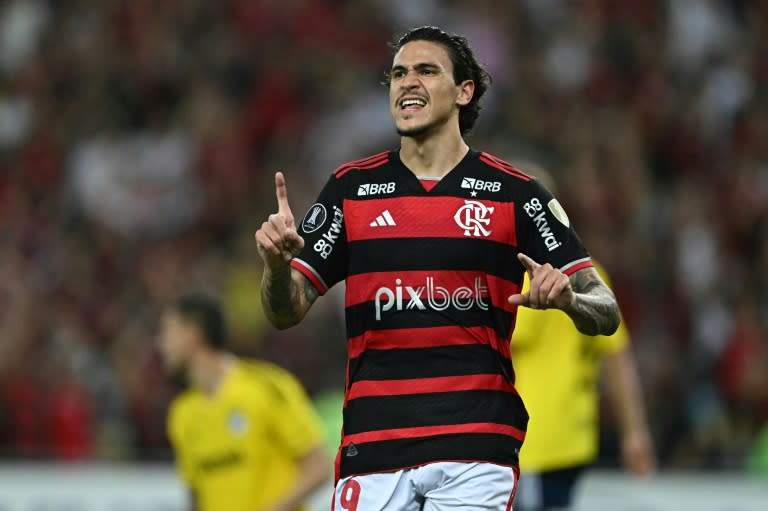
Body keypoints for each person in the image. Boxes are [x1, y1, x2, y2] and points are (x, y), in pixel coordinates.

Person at [254, 26, 621, 511]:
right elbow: (285, 310)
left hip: (475, 447)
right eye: (399, 73)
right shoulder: (349, 190)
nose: (408, 82)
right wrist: (278, 268)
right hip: (374, 446)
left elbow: (607, 308)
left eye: (426, 71)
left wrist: (572, 301)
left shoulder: (517, 195)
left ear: (463, 91)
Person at [509, 164, 654, 510]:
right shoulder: (590, 276)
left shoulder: (518, 278)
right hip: (567, 440)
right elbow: (617, 355)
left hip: (526, 445)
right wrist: (635, 432)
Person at [158, 294, 330, 511]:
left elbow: (319, 468)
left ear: (192, 334)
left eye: (167, 331)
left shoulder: (266, 387)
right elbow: (197, 496)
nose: (161, 343)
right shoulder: (182, 413)